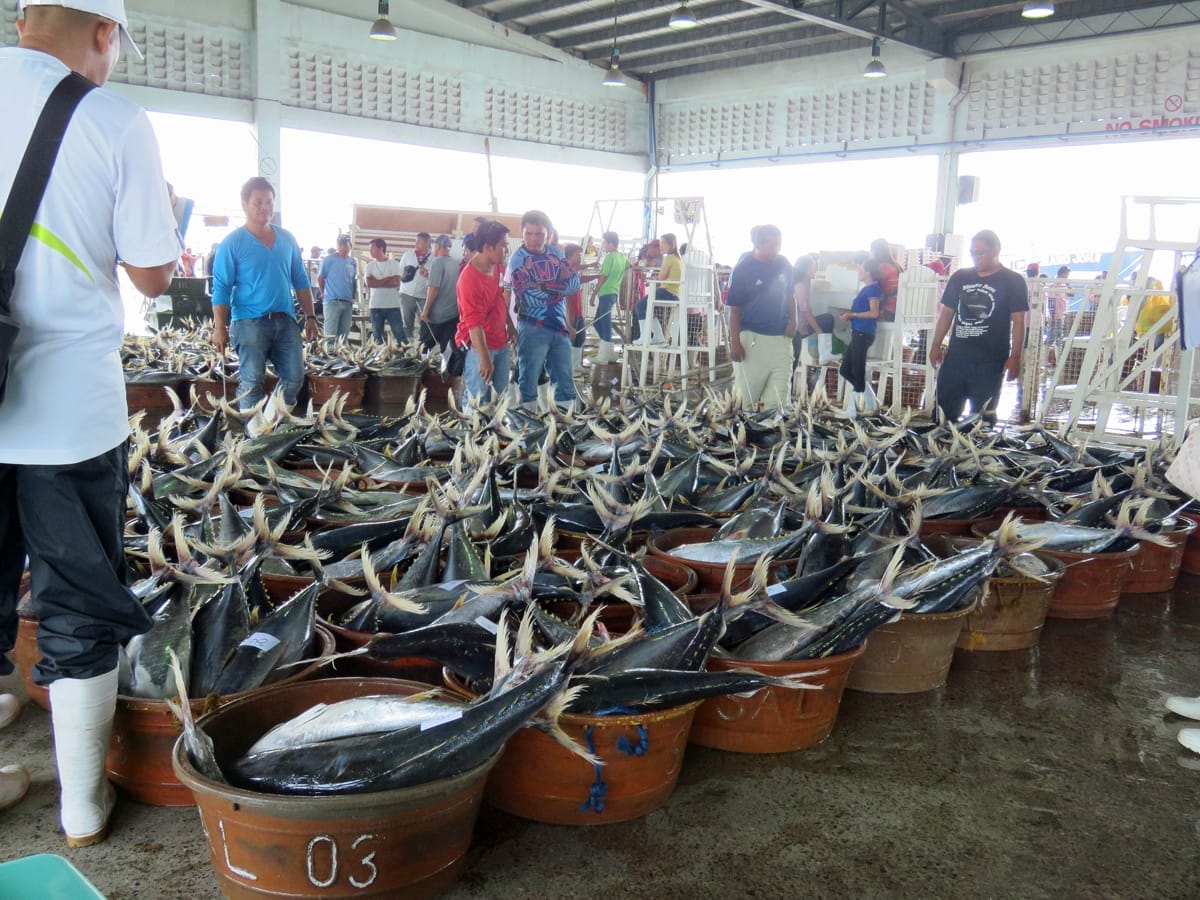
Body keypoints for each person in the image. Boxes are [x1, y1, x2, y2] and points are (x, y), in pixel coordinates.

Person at [0, 0, 181, 845]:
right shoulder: (110, 116)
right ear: (105, 33)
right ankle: (81, 804)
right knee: (78, 597)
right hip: (67, 408)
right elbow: (151, 275)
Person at [212, 177, 320, 409]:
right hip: (248, 323)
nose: (265, 207)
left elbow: (300, 280)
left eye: (269, 202)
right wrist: (219, 326)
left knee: (294, 378)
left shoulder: (287, 239)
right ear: (244, 204)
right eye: (258, 202)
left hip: (285, 320)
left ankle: (269, 428)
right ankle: (255, 437)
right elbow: (221, 287)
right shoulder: (232, 243)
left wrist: (310, 316)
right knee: (252, 382)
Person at [928, 229, 1027, 424]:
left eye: (981, 253)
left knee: (982, 419)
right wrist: (935, 345)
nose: (976, 258)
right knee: (942, 416)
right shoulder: (960, 277)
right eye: (973, 253)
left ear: (996, 251)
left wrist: (1015, 356)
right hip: (956, 357)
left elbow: (1019, 321)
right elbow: (946, 313)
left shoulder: (1013, 281)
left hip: (990, 360)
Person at [506, 210, 580, 411]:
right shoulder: (517, 259)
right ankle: (526, 427)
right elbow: (529, 296)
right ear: (522, 233)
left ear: (548, 233)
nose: (533, 239)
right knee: (528, 381)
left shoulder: (557, 253)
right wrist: (558, 285)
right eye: (528, 233)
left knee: (565, 381)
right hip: (531, 327)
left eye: (538, 234)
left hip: (559, 327)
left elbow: (574, 283)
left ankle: (564, 426)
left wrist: (544, 286)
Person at [725, 225, 795, 410]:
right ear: (757, 244)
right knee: (744, 400)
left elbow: (790, 296)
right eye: (772, 246)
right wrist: (735, 343)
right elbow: (735, 311)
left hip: (780, 339)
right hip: (752, 339)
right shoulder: (743, 269)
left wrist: (794, 321)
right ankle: (738, 435)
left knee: (779, 399)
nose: (776, 250)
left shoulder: (784, 264)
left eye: (778, 245)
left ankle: (773, 432)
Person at [456, 220, 515, 408]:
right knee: (477, 399)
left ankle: (493, 435)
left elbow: (499, 300)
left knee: (500, 397)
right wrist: (484, 359)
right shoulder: (469, 280)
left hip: (501, 342)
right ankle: (471, 435)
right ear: (488, 247)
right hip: (479, 346)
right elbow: (474, 325)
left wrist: (511, 328)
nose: (506, 250)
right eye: (503, 245)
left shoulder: (498, 267)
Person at [838, 259, 883, 417]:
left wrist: (853, 314)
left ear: (868, 272)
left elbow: (874, 313)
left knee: (857, 370)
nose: (859, 271)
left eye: (861, 269)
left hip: (863, 333)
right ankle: (871, 403)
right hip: (858, 332)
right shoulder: (867, 288)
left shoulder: (873, 289)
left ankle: (853, 409)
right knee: (845, 370)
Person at [637, 232, 682, 345]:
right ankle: (658, 335)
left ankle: (645, 336)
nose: (661, 246)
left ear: (670, 245)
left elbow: (661, 277)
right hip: (675, 294)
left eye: (663, 243)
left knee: (640, 306)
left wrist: (651, 278)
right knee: (647, 307)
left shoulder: (669, 258)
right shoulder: (678, 258)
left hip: (668, 292)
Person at [591, 231, 627, 364]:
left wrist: (594, 293)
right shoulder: (622, 257)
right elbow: (630, 266)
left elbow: (603, 277)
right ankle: (609, 350)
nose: (603, 246)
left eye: (604, 243)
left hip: (606, 292)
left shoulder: (610, 257)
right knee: (597, 321)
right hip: (613, 292)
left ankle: (604, 355)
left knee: (604, 322)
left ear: (610, 243)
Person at [420, 234, 460, 352]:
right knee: (447, 351)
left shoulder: (437, 262)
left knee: (423, 350)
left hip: (436, 316)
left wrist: (425, 311)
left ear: (437, 246)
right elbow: (447, 283)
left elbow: (434, 288)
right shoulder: (454, 263)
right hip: (452, 315)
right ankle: (447, 370)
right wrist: (429, 276)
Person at [317, 233, 357, 345]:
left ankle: (341, 360)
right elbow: (320, 278)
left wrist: (353, 296)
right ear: (338, 246)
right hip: (332, 301)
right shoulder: (328, 260)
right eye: (341, 244)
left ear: (350, 245)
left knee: (343, 335)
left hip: (347, 302)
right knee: (330, 335)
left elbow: (353, 280)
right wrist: (323, 293)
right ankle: (328, 358)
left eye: (346, 244)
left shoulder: (352, 262)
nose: (343, 247)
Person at [365, 238, 403, 344]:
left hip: (392, 305)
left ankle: (405, 357)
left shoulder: (394, 264)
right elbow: (369, 283)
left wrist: (377, 281)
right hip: (375, 306)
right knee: (378, 338)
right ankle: (379, 359)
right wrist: (387, 279)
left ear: (380, 248)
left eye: (372, 248)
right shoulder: (369, 266)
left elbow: (396, 282)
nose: (370, 251)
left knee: (400, 335)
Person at [398, 232, 432, 342]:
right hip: (406, 293)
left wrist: (428, 275)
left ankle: (422, 346)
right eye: (415, 240)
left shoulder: (434, 258)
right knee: (406, 323)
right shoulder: (408, 254)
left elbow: (436, 278)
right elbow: (400, 271)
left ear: (427, 242)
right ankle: (408, 347)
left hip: (423, 295)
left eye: (419, 241)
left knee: (424, 323)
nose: (416, 243)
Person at [562, 243, 586, 376]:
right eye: (578, 254)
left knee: (580, 337)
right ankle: (567, 368)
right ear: (570, 256)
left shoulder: (574, 271)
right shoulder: (565, 271)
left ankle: (576, 365)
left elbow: (580, 280)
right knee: (569, 339)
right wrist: (569, 314)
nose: (580, 257)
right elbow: (565, 294)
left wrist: (596, 276)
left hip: (578, 310)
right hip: (571, 311)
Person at [870, 238, 903, 322]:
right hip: (900, 309)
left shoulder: (882, 267)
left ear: (876, 251)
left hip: (887, 311)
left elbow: (875, 289)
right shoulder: (897, 267)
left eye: (871, 250)